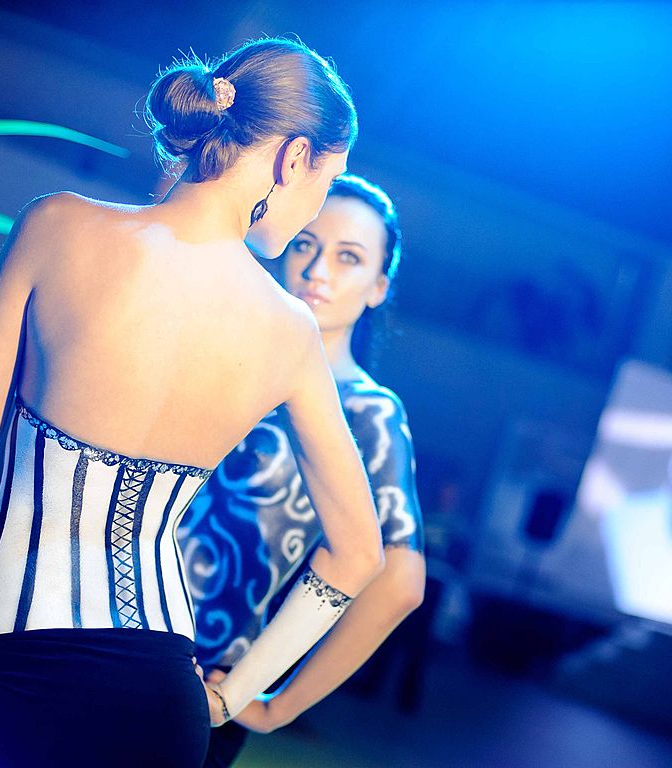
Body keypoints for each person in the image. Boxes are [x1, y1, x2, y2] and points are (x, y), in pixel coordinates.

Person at [0, 37, 384, 768]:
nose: (317, 207)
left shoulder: (57, 225)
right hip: (159, 698)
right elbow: (358, 552)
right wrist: (235, 697)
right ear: (294, 158)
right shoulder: (292, 333)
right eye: (330, 177)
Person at [181, 174, 425, 766]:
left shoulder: (366, 412)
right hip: (94, 631)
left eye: (349, 257)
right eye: (306, 245)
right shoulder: (216, 355)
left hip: (199, 681)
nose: (318, 270)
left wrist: (274, 704)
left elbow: (400, 582)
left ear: (379, 287)